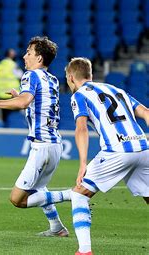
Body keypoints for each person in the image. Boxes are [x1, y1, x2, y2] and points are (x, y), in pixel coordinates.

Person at [0, 36, 71, 236]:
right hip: (55, 144)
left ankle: (74, 195)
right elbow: (37, 103)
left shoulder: (31, 75)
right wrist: (18, 95)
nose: (24, 56)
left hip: (42, 146)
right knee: (40, 189)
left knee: (17, 199)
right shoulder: (52, 79)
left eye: (29, 52)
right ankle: (57, 228)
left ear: (39, 59)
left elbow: (24, 103)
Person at [65, 57, 148, 255]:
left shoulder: (79, 95)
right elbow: (145, 112)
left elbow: (81, 128)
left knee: (78, 194)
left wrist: (83, 163)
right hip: (143, 147)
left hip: (117, 150)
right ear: (91, 75)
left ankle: (84, 251)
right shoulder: (116, 89)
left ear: (70, 78)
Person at [0, 48, 23, 124]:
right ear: (11, 55)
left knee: (4, 117)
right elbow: (21, 75)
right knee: (15, 116)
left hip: (1, 95)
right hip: (12, 94)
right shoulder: (13, 65)